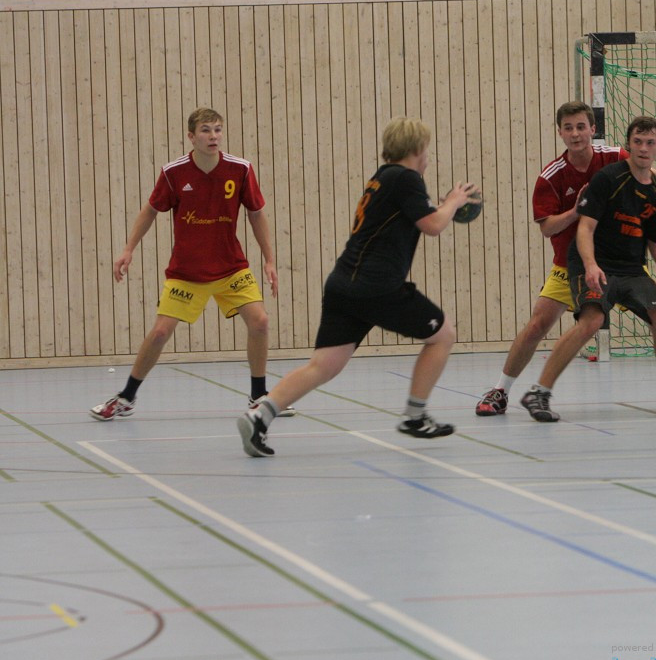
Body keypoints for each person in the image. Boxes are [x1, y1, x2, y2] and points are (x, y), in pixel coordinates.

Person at [237, 116, 479, 457]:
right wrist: (454, 201)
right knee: (443, 333)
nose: (428, 157)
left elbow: (418, 217)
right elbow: (434, 226)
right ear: (416, 149)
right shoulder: (406, 178)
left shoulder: (382, 178)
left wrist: (440, 206)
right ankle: (415, 415)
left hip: (343, 284)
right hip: (376, 286)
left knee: (323, 365)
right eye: (426, 150)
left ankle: (260, 414)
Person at [475, 101, 656, 416]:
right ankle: (501, 390)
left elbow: (650, 174)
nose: (576, 134)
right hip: (573, 263)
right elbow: (547, 228)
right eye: (569, 128)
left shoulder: (614, 158)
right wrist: (580, 209)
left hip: (624, 264)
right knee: (539, 325)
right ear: (560, 132)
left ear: (592, 129)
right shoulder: (553, 176)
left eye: (581, 127)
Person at [90, 108, 294, 421]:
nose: (213, 136)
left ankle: (258, 395)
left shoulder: (240, 169)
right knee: (159, 333)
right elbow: (150, 210)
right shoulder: (174, 173)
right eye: (205, 131)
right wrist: (128, 249)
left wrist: (269, 259)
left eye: (217, 130)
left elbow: (256, 213)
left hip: (231, 268)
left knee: (260, 322)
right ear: (191, 136)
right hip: (187, 273)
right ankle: (126, 397)